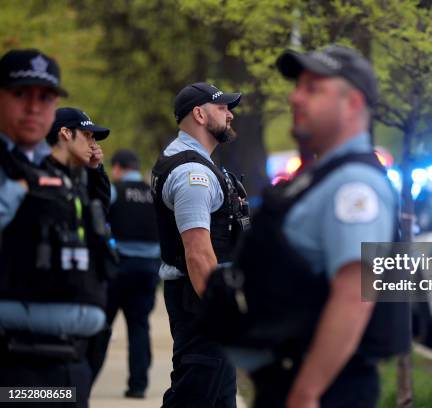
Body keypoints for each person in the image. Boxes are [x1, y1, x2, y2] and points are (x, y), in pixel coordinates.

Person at [198, 45, 409, 408]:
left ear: (353, 104)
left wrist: (306, 392)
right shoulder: (318, 177)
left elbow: (354, 292)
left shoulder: (354, 185)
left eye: (314, 89)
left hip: (323, 391)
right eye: (298, 87)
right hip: (287, 380)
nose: (296, 97)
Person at [0, 47, 113, 408]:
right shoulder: (16, 174)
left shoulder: (55, 176)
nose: (34, 107)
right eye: (21, 95)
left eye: (45, 97)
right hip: (19, 363)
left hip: (71, 360)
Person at [151, 82, 250, 407]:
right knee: (195, 397)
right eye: (222, 108)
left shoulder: (187, 161)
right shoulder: (194, 173)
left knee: (218, 398)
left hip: (198, 300)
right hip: (201, 303)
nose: (230, 115)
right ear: (199, 114)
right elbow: (197, 252)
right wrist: (223, 314)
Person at [91, 149, 160, 399]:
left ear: (118, 167)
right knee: (139, 326)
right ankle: (138, 386)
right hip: (148, 269)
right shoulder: (153, 193)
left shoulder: (114, 190)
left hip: (117, 268)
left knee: (102, 325)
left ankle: (84, 381)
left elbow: (97, 220)